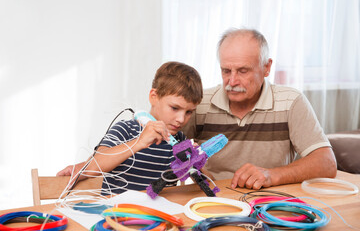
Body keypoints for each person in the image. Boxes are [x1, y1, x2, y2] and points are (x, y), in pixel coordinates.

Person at [182, 28, 337, 190]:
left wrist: (272, 175)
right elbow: (163, 146)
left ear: (267, 67)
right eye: (226, 71)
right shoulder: (200, 103)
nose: (232, 81)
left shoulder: (290, 102)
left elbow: (326, 163)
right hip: (214, 199)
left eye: (243, 71)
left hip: (269, 202)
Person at [57, 61, 203, 194]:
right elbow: (95, 165)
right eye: (174, 108)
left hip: (158, 218)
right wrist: (139, 142)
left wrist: (197, 162)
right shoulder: (126, 129)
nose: (181, 119)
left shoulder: (180, 140)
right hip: (117, 215)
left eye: (189, 112)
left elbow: (198, 182)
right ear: (154, 97)